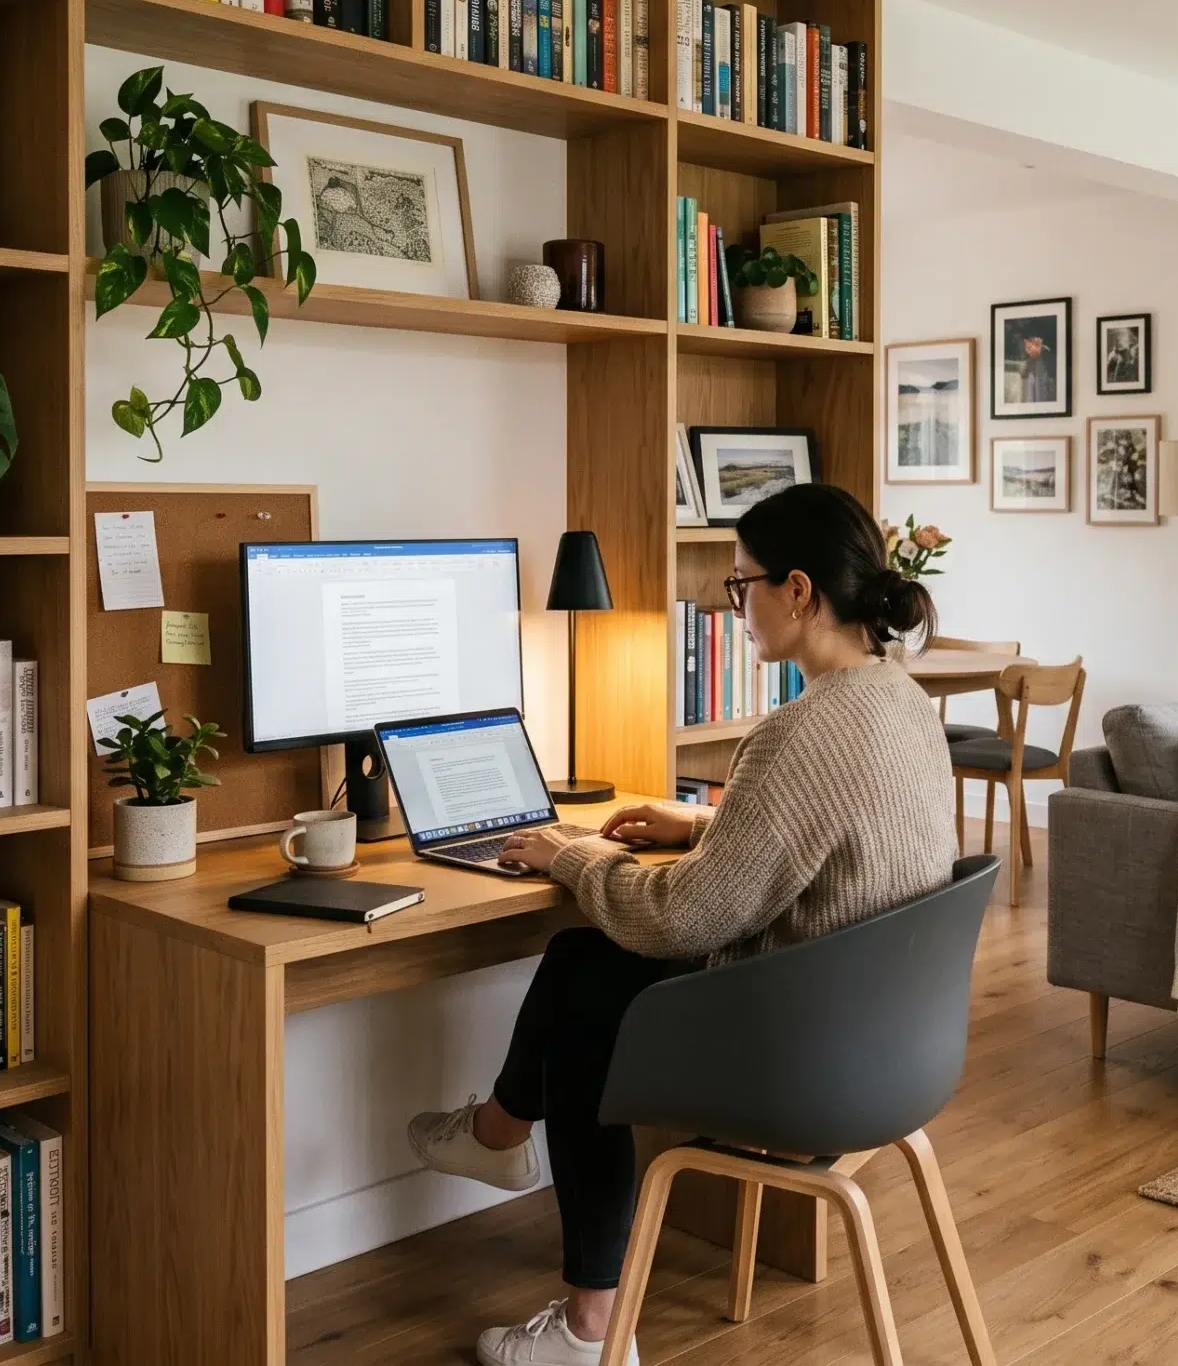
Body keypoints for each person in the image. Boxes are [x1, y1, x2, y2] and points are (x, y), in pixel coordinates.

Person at [405, 483, 958, 1366]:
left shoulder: (798, 732)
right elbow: (838, 838)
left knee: (592, 989)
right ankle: (501, 1140)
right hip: (891, 1051)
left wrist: (570, 855)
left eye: (741, 587)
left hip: (806, 1068)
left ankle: (583, 1310)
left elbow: (683, 917)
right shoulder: (902, 700)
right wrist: (700, 825)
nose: (733, 607)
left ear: (801, 592)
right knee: (587, 959)